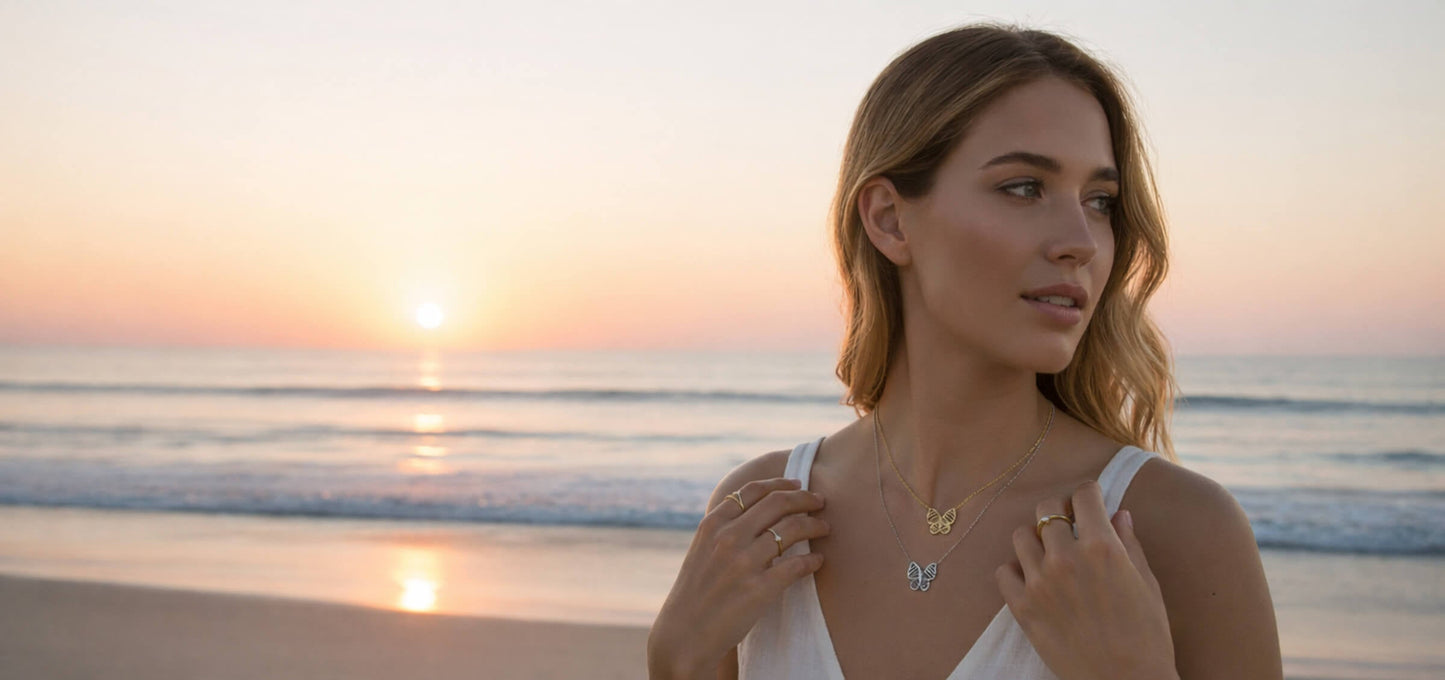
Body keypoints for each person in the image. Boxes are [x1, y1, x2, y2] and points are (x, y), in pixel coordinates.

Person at [647, 22, 1282, 680]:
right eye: (1023, 188)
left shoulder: (1174, 528)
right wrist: (676, 661)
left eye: (1100, 201)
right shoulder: (762, 514)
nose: (1081, 241)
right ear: (889, 220)